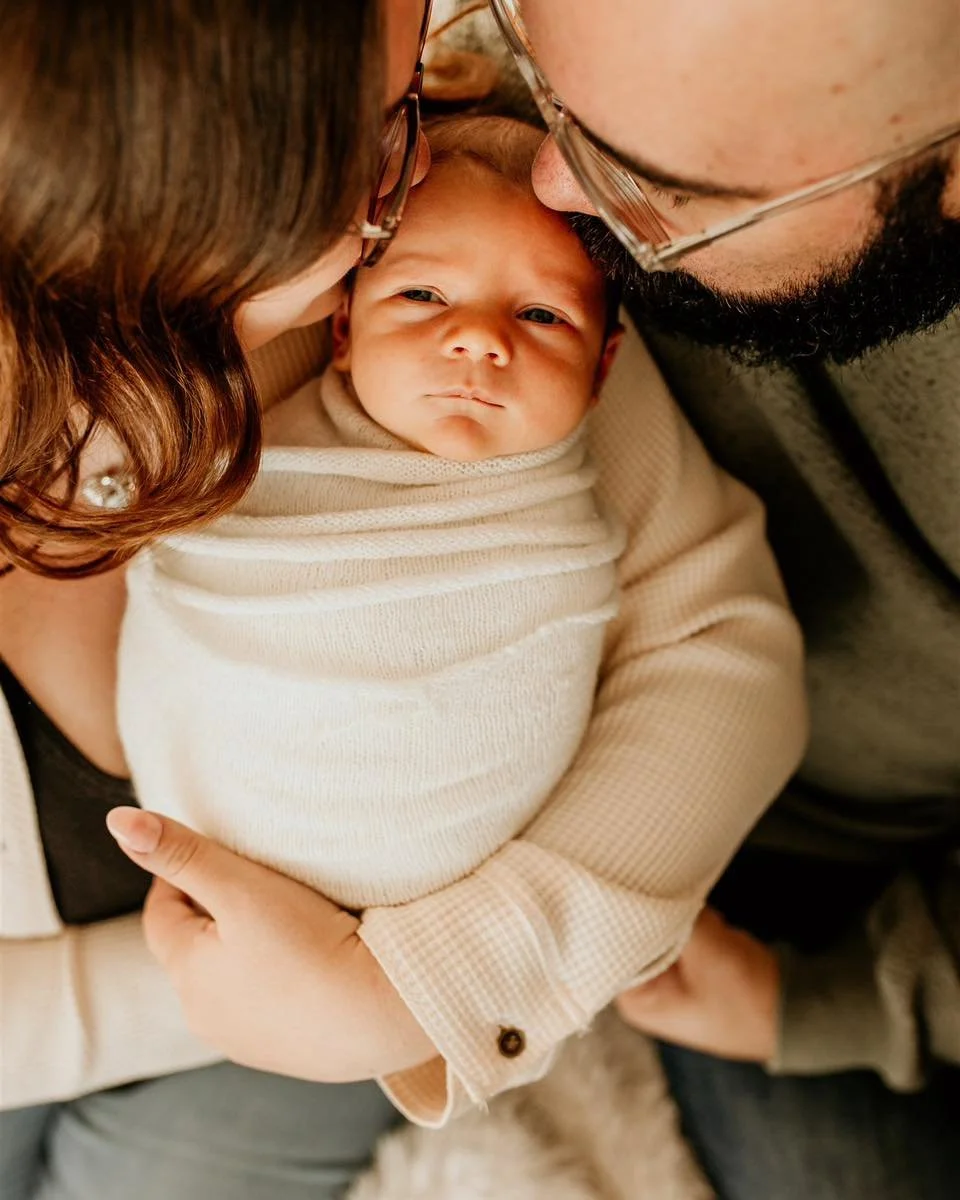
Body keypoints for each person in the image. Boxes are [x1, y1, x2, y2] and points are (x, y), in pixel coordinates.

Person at [0, 6, 805, 1200]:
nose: (436, 153)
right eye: (388, 130)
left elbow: (720, 650)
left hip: (327, 1020)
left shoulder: (460, 308)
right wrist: (231, 992)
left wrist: (419, 983)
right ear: (183, 205)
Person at [481, 0, 960, 1197]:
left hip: (839, 912)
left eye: (660, 189)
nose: (551, 179)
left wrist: (834, 1002)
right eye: (540, 70)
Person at [119, 116, 629, 912]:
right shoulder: (235, 435)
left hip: (443, 876)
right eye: (422, 295)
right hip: (213, 834)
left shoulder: (596, 474)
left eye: (541, 316)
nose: (477, 339)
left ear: (604, 371)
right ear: (344, 327)